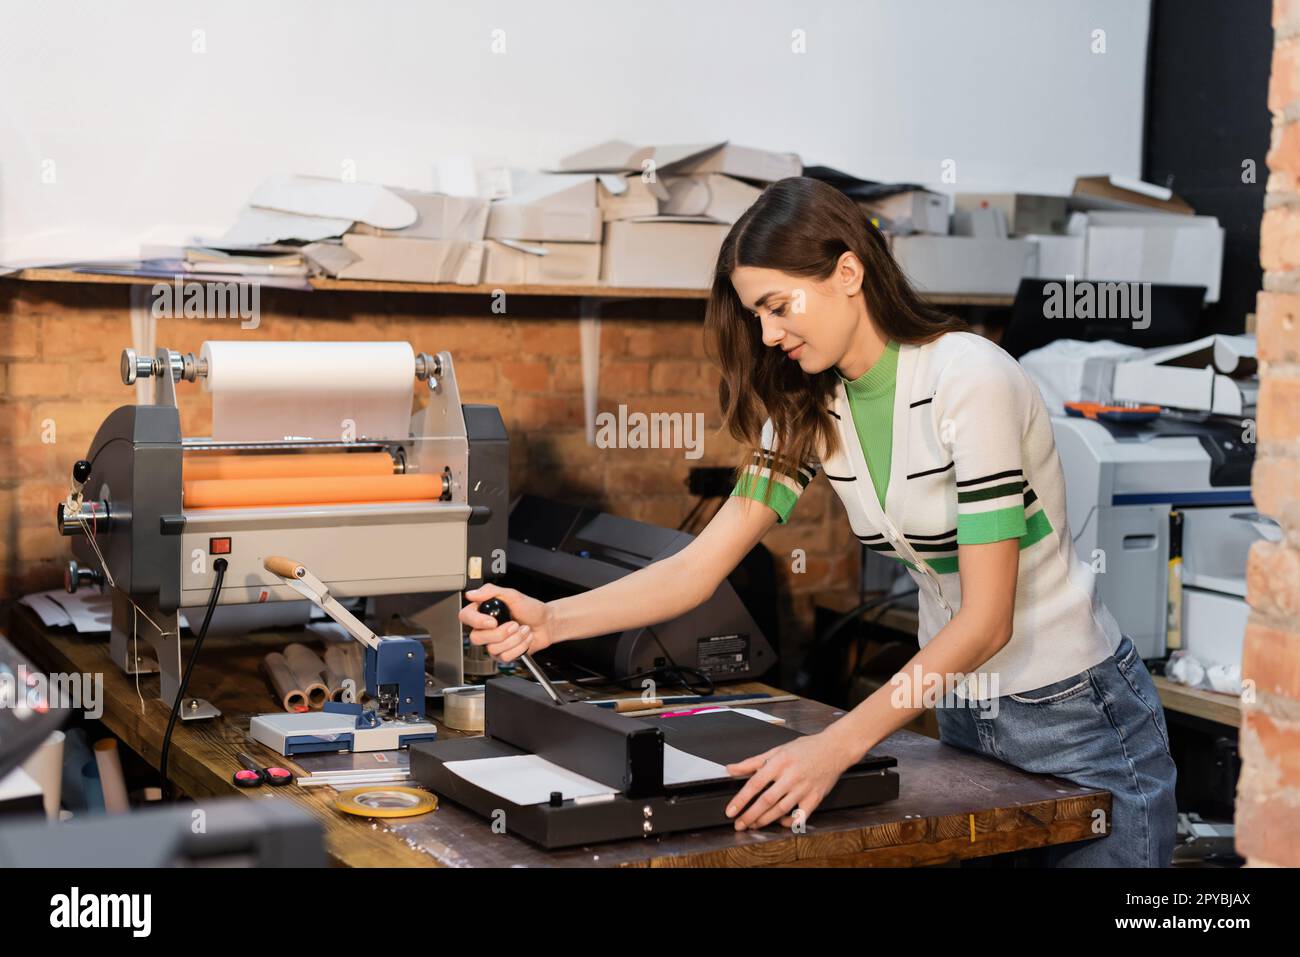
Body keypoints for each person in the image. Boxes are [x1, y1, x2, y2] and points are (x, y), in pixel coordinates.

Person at [459, 176, 1177, 867]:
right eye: (756, 316)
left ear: (847, 272)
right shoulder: (809, 408)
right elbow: (695, 568)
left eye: (778, 306)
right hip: (965, 715)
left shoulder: (969, 379)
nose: (768, 335)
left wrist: (836, 744)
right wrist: (551, 620)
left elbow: (988, 620)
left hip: (1077, 718)